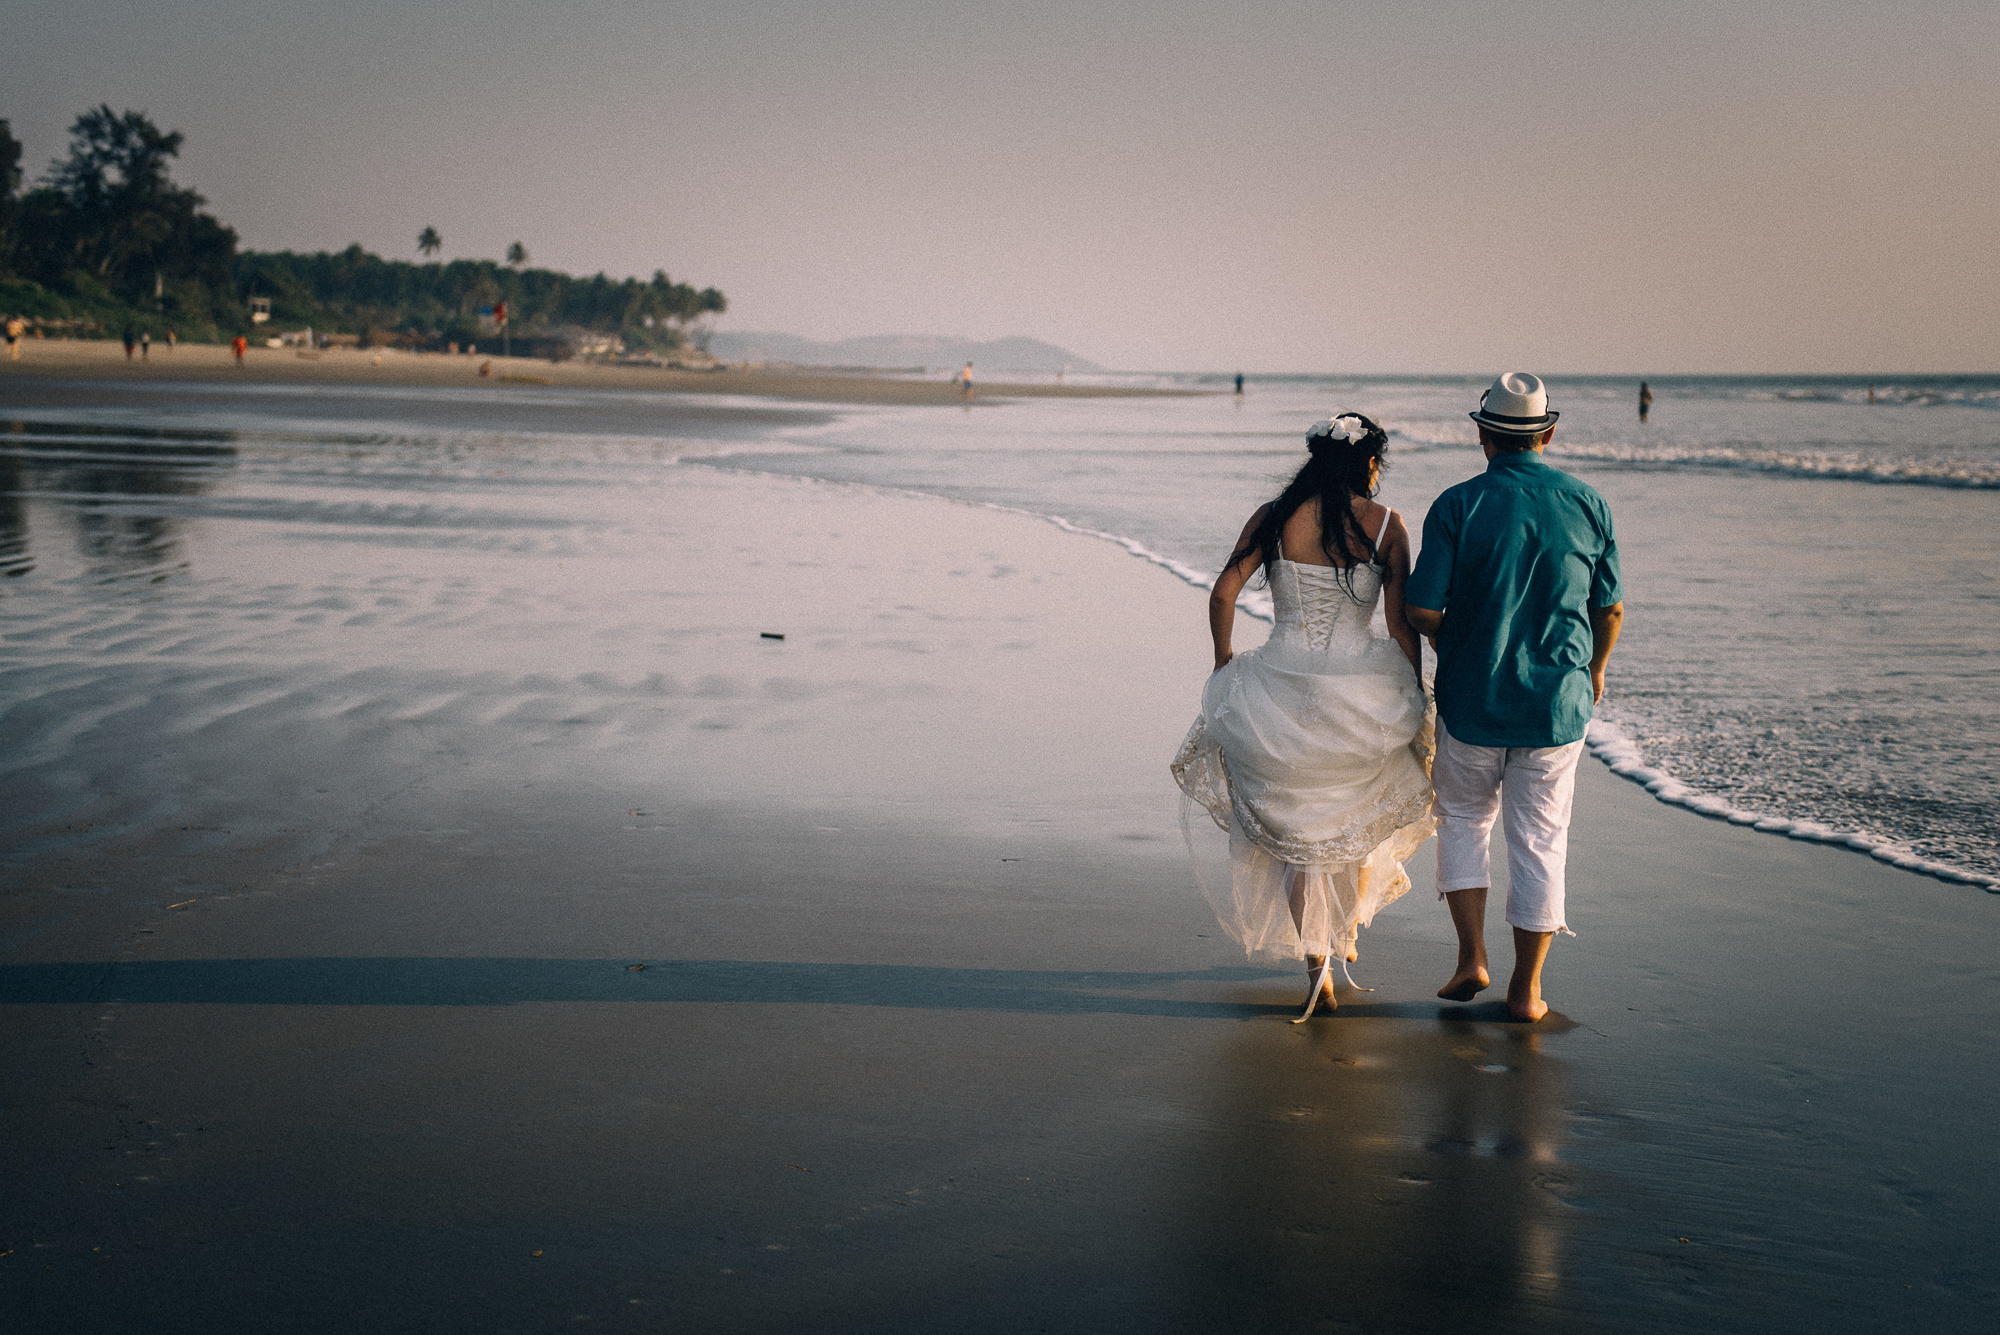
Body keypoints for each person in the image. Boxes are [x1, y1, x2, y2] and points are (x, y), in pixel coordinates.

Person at [1173, 413, 1437, 1021]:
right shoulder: (1387, 526)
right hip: (1360, 690)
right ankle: (1338, 943)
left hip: (1278, 688)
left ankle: (1318, 965)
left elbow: (1222, 593)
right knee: (1349, 823)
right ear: (1368, 463)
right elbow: (1400, 626)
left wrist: (1224, 661)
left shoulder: (1272, 516)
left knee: (1299, 837)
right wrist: (1412, 695)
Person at [1404, 372, 1624, 1023]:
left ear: (1482, 435)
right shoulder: (1590, 503)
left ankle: (1471, 955)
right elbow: (1608, 609)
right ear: (1549, 433)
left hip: (1472, 699)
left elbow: (1420, 606)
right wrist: (1599, 670)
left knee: (1466, 821)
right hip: (1557, 705)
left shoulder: (1457, 504)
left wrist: (1460, 640)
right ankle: (1527, 990)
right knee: (1540, 841)